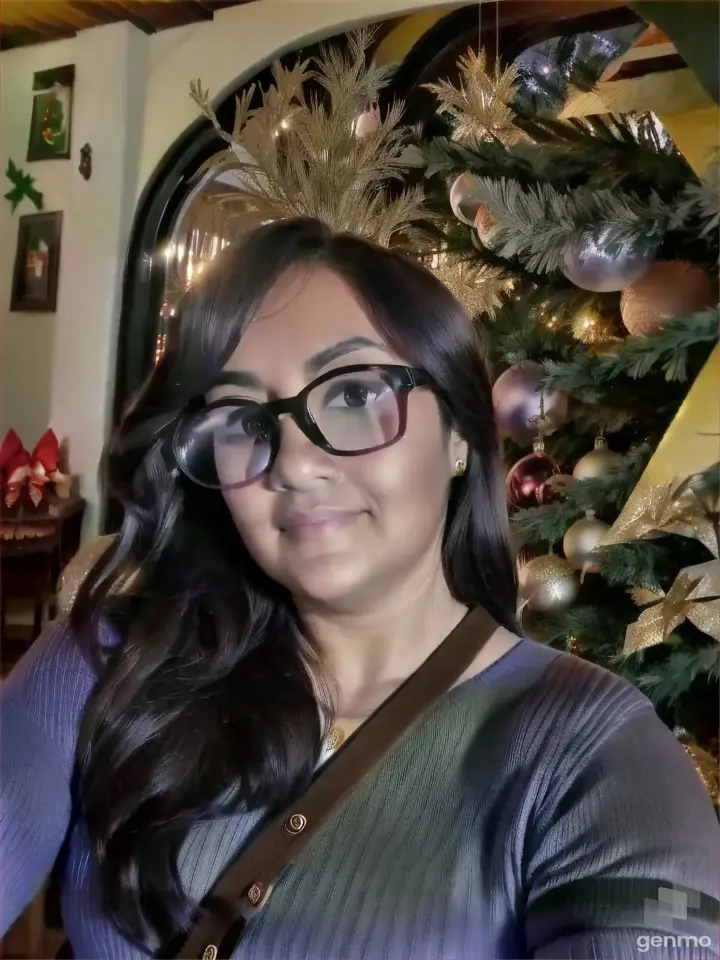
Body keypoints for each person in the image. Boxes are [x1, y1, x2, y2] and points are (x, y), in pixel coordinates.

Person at [1, 218, 718, 960]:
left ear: (460, 434)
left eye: (351, 394)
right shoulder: (111, 665)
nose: (295, 463)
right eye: (243, 418)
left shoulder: (597, 758)